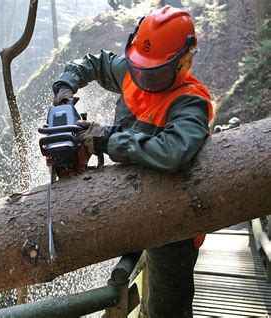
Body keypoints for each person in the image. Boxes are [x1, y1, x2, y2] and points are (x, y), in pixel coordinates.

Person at [52, 5, 213, 318]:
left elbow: (173, 151)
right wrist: (65, 87)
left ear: (184, 61)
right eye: (138, 67)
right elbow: (93, 63)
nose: (142, 77)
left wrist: (108, 140)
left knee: (167, 310)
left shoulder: (191, 101)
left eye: (153, 71)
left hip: (173, 222)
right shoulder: (133, 69)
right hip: (124, 198)